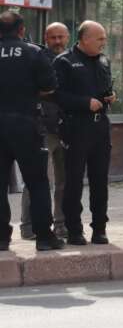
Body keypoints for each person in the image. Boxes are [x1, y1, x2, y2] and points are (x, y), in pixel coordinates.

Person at [0, 10, 65, 251]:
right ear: (21, 30)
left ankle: (1, 238)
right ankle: (44, 238)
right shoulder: (34, 52)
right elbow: (50, 87)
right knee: (37, 182)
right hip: (26, 124)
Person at [54, 21, 115, 245]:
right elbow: (56, 95)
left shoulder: (103, 60)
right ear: (85, 39)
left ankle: (99, 229)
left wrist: (110, 96)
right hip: (76, 127)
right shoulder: (64, 62)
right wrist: (83, 103)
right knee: (74, 181)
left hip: (100, 128)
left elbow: (106, 88)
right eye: (100, 39)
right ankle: (74, 230)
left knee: (100, 181)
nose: (103, 43)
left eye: (104, 38)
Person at [20, 22, 70, 240]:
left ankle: (61, 225)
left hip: (67, 128)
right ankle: (29, 226)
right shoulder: (37, 58)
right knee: (36, 178)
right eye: (53, 37)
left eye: (61, 37)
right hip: (42, 126)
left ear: (67, 37)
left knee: (65, 180)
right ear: (45, 38)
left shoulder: (72, 60)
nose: (57, 41)